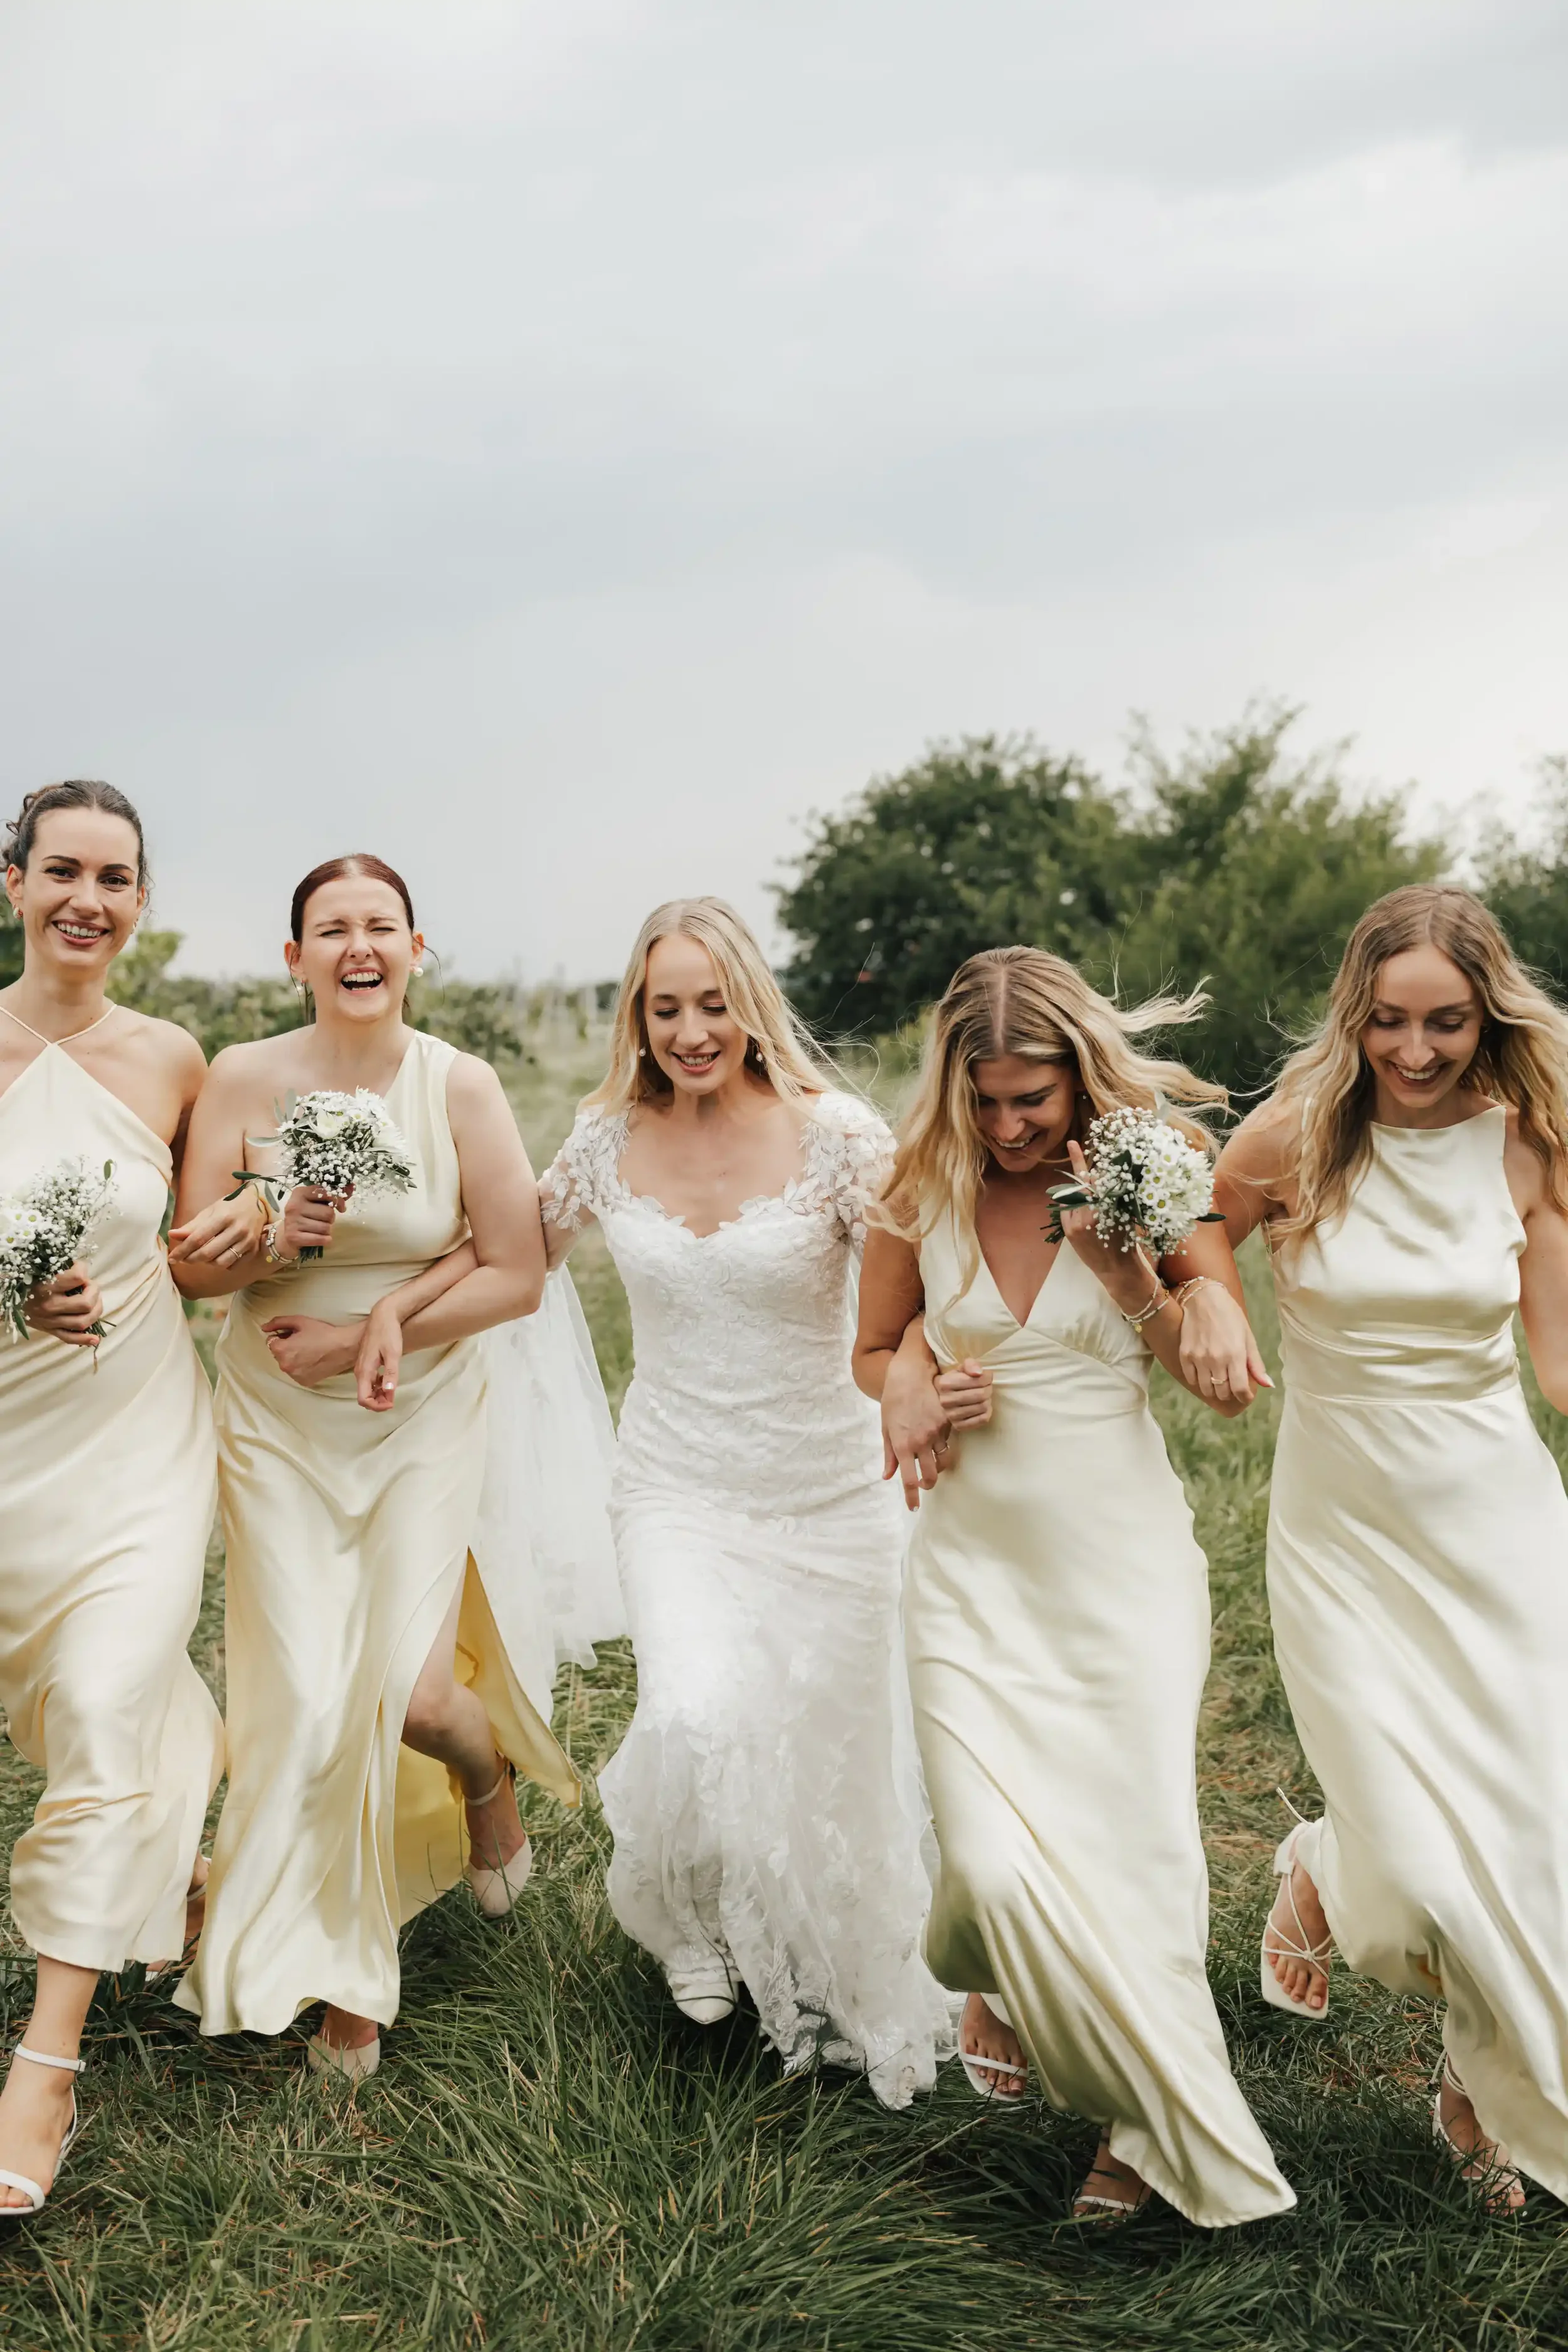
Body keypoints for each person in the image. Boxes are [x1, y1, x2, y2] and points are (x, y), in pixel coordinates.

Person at [856, 946, 1294, 2226]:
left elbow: (1217, 1378)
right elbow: (871, 1345)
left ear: (1079, 1078)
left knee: (1137, 1855)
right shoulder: (918, 1184)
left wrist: (1140, 1283)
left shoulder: (1152, 1166)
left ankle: (1140, 2133)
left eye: (1031, 1100)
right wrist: (903, 1384)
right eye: (985, 1100)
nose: (1007, 1127)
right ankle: (990, 1961)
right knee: (987, 1869)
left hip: (1121, 1569)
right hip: (968, 1574)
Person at [533, 897, 953, 2107]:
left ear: (752, 1005)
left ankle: (838, 1960)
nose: (691, 1031)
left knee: (830, 1744)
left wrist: (916, 1371)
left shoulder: (839, 1137)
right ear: (638, 1014)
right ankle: (686, 1918)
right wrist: (381, 1301)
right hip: (676, 1486)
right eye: (666, 1007)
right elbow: (512, 1256)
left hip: (833, 1488)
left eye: (713, 1003)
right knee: (694, 1708)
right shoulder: (604, 1139)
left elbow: (925, 1283)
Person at [171, 853, 577, 2079]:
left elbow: (517, 1272)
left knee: (407, 1696)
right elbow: (190, 1266)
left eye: (381, 926)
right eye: (332, 928)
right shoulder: (242, 1076)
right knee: (302, 1692)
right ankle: (348, 1984)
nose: (359, 946)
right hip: (277, 1416)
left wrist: (370, 1331)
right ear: (295, 958)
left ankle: (481, 1772)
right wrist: (270, 1235)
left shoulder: (461, 1084)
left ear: (414, 949)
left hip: (417, 1410)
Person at [1219, 883, 1568, 2213]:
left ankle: (1481, 2087)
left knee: (1529, 1836)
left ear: (1488, 1018)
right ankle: (1321, 1862)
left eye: (1445, 1022)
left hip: (1499, 1527)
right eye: (1387, 1021)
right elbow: (1188, 1244)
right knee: (1411, 1872)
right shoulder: (1296, 1133)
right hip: (1344, 1530)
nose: (1414, 1051)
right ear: (1352, 1013)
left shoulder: (1527, 1148)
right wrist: (1208, 1309)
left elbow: (1557, 1365)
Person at [0, 781, 255, 2217]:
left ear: (141, 904)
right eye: (62, 872)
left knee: (104, 1703)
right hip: (8, 1444)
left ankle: (45, 2063)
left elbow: (204, 1266)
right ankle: (179, 1866)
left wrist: (264, 1217)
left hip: (142, 1436)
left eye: (114, 879)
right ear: (14, 884)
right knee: (88, 1711)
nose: (86, 901)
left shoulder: (169, 1059)